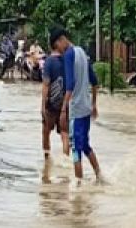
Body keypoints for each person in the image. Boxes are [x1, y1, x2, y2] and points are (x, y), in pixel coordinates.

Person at [49, 29, 101, 181]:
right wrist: (94, 105)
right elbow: (95, 81)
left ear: (61, 40)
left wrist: (64, 109)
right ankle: (99, 175)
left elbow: (70, 85)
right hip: (86, 108)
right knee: (85, 145)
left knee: (76, 150)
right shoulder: (82, 52)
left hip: (76, 110)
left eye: (56, 46)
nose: (58, 51)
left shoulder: (69, 55)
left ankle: (78, 185)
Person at [41, 41, 69, 158]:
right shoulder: (67, 61)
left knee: (46, 131)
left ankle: (47, 160)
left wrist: (42, 105)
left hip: (51, 104)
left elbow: (46, 85)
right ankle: (66, 160)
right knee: (65, 133)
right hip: (65, 103)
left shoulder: (48, 62)